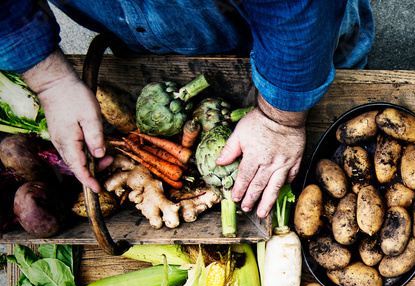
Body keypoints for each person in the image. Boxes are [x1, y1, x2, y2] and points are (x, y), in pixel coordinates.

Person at [0, 0, 373, 217]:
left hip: (298, 35)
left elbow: (299, 8)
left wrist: (280, 119)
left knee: (335, 81)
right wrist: (49, 80)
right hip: (138, 37)